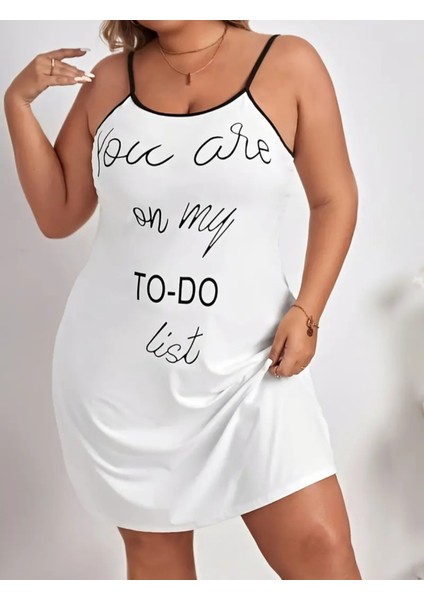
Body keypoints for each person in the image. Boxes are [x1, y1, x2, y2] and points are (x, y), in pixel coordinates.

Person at [4, 20, 360, 580]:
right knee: (156, 561)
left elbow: (334, 197)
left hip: (251, 364)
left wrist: (308, 311)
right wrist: (18, 105)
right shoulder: (110, 79)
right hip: (120, 376)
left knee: (320, 550)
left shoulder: (288, 62)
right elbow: (59, 213)